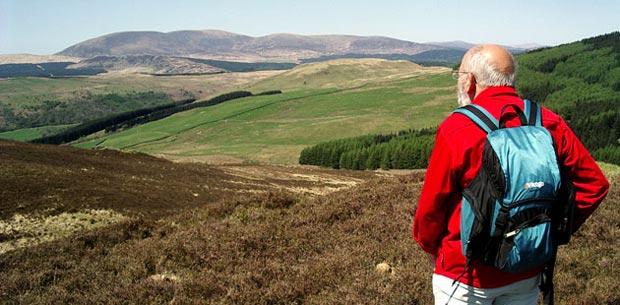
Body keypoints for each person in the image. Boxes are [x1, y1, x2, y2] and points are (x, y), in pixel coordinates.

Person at [412, 44, 609, 305]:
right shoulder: (547, 122)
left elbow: (431, 208)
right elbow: (594, 185)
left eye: (458, 76)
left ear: (470, 82)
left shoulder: (457, 128)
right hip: (525, 271)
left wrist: (431, 249)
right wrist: (548, 230)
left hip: (465, 275)